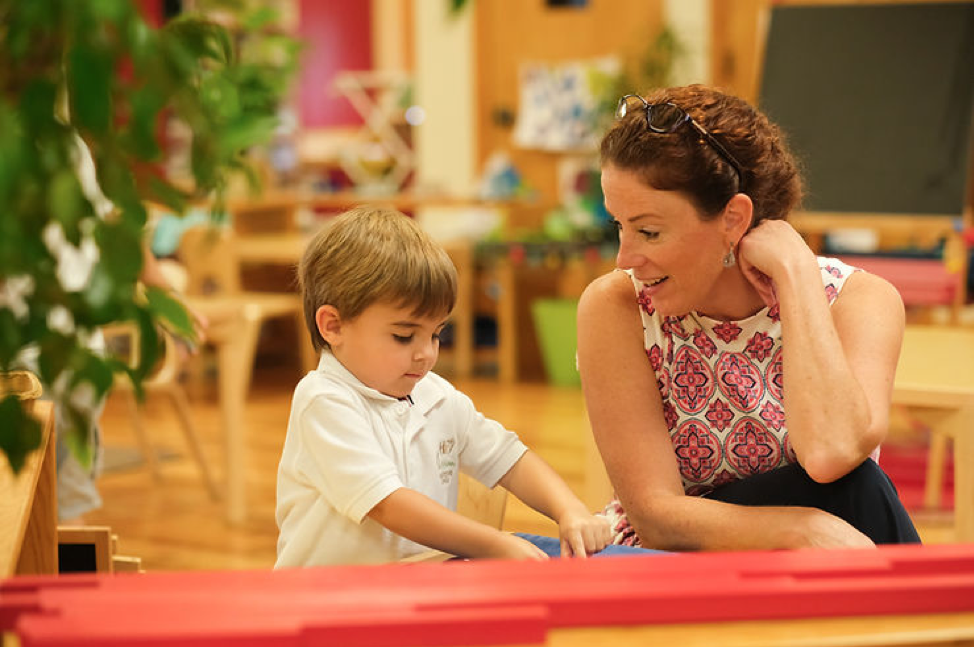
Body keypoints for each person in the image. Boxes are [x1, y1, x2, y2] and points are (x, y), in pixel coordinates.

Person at [577, 84, 920, 551]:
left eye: (649, 231)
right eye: (620, 225)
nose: (624, 257)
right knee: (859, 497)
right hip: (677, 561)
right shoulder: (614, 309)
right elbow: (657, 515)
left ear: (734, 219)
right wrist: (802, 530)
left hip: (828, 550)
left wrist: (796, 274)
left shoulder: (860, 300)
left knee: (857, 485)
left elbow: (831, 453)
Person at [275, 206, 616, 566]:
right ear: (333, 326)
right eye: (404, 336)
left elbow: (511, 461)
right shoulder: (323, 400)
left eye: (437, 334)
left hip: (419, 583)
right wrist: (491, 543)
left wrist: (570, 510)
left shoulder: (435, 395)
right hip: (333, 603)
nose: (426, 354)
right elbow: (389, 505)